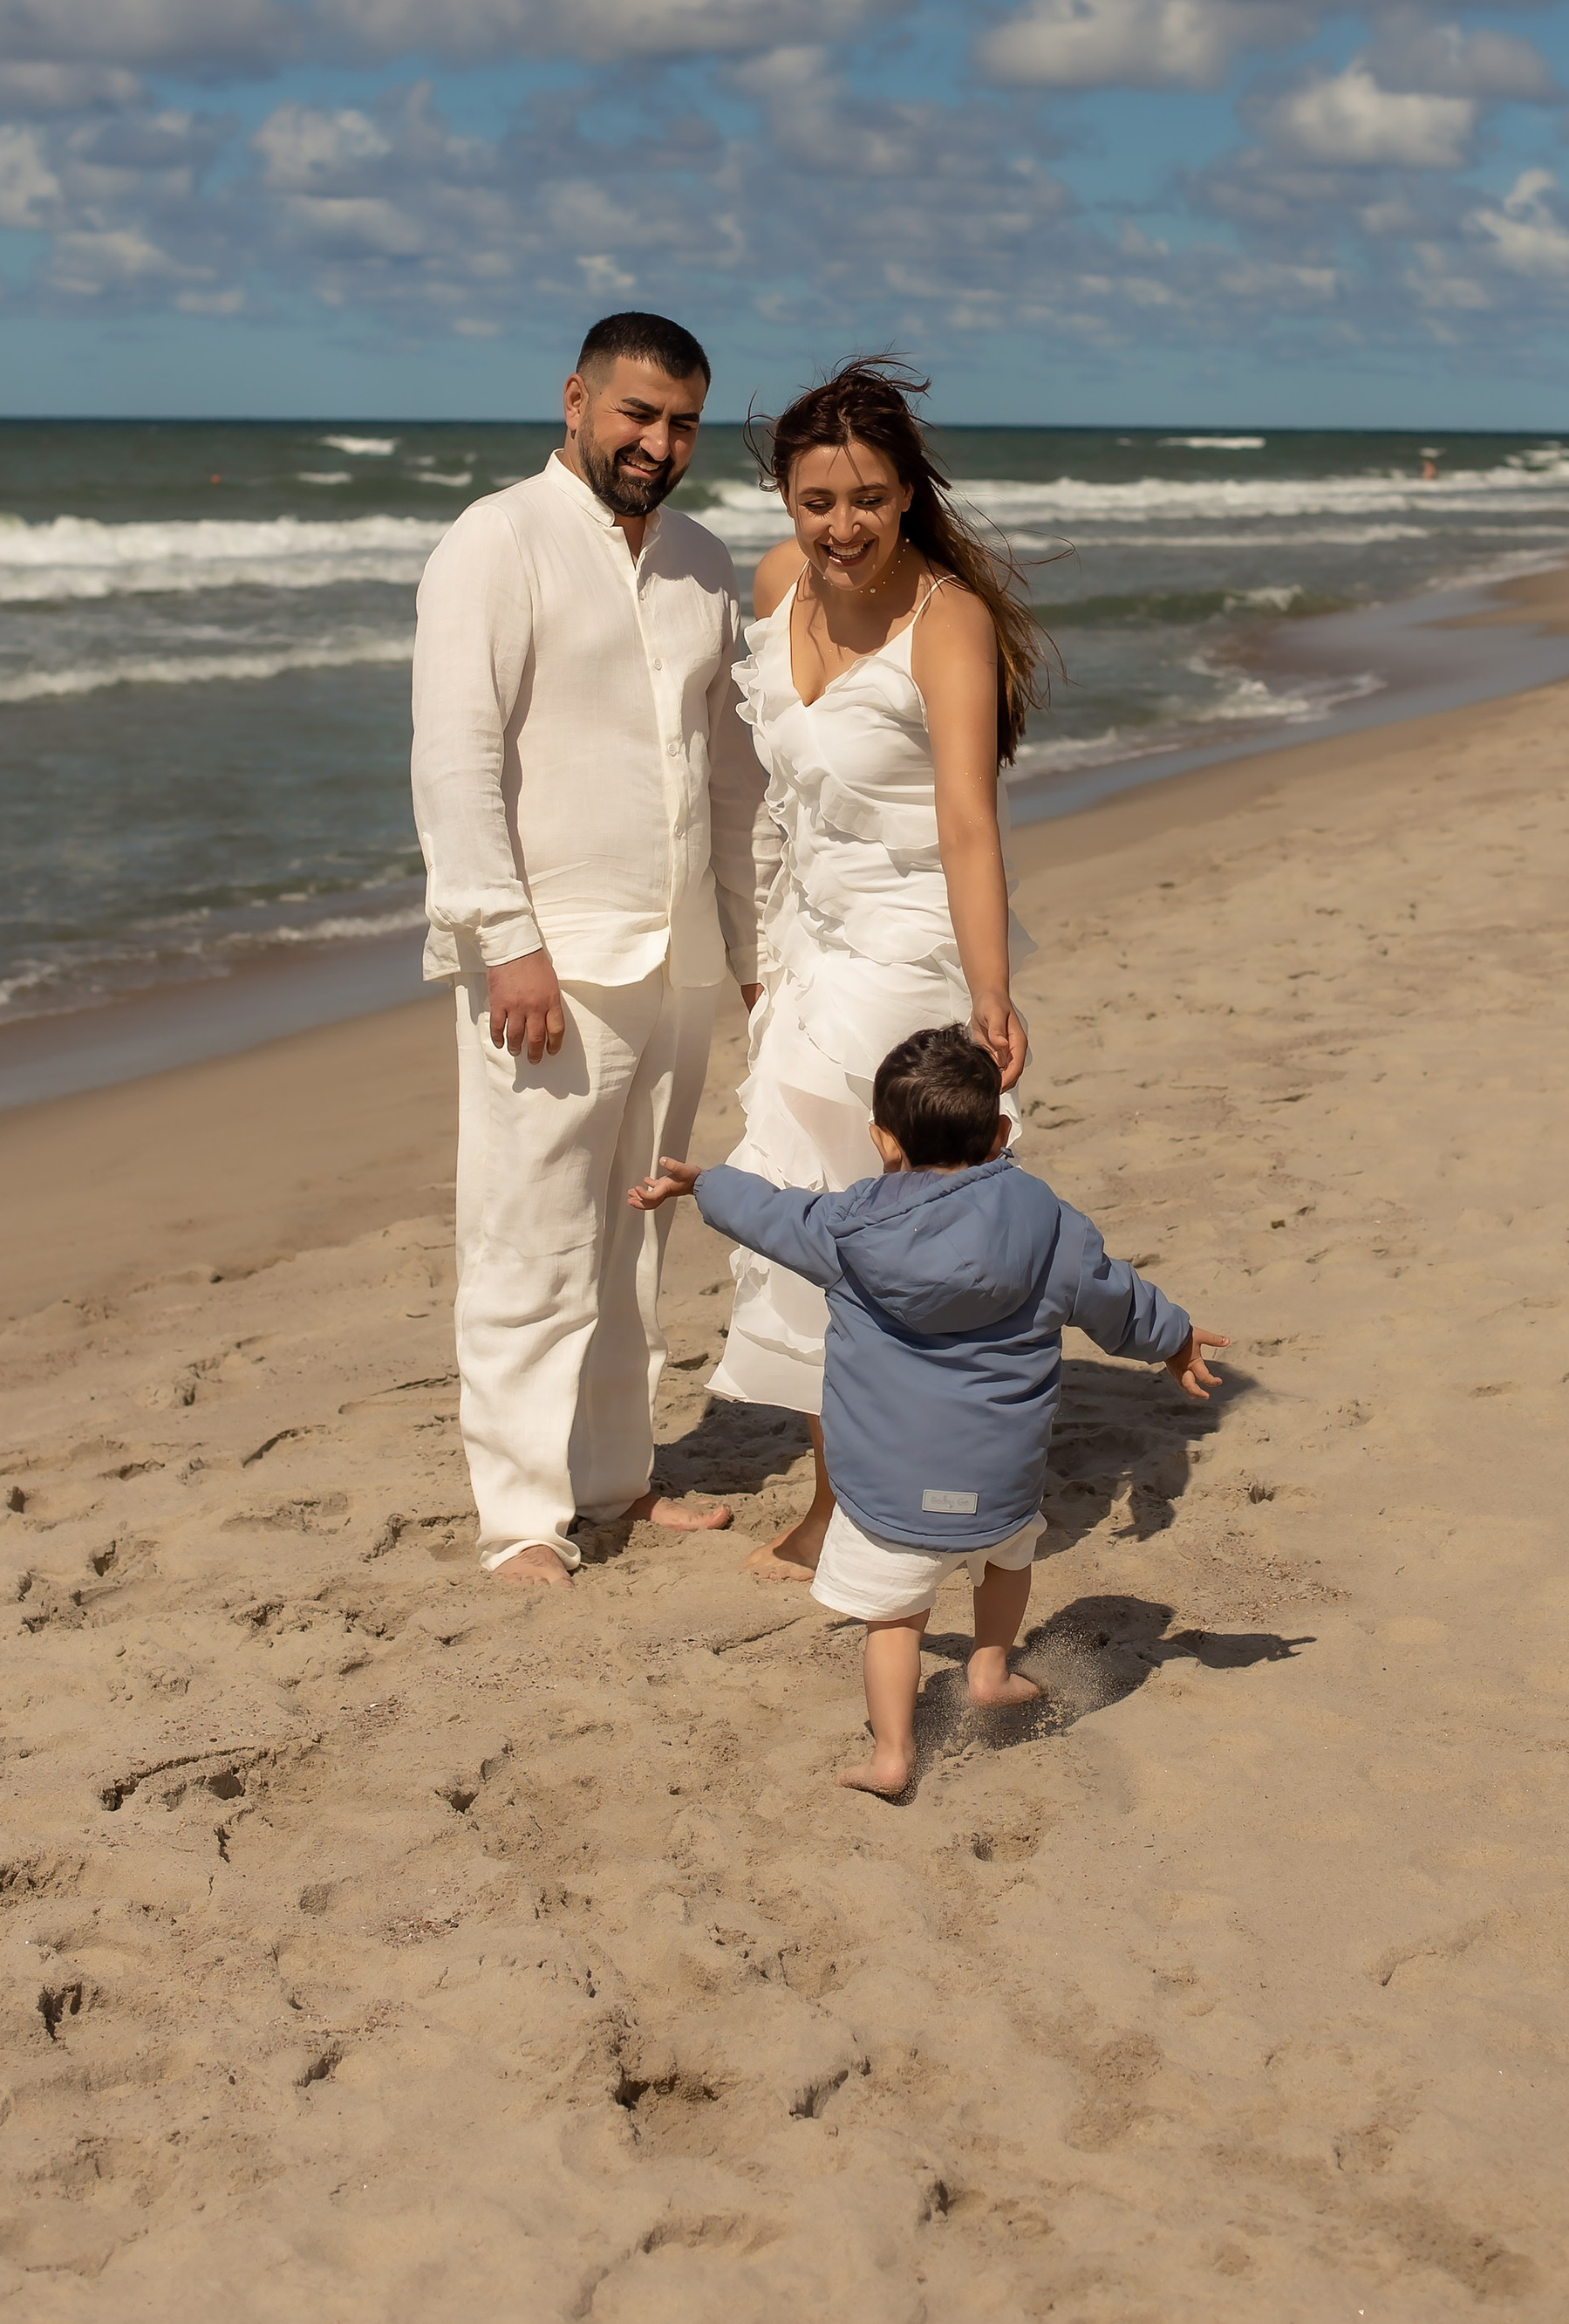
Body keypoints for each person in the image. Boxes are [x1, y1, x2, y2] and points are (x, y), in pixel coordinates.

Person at [633, 1026, 1226, 1797]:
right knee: (1008, 1560)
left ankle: (892, 1755)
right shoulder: (1046, 1223)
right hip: (1001, 1477)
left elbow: (770, 1214)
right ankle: (989, 1672)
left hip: (886, 1488)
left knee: (894, 1622)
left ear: (883, 1141)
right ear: (1001, 1133)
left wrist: (702, 1183)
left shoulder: (846, 1231)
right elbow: (1115, 1298)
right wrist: (1175, 1339)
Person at [410, 310, 765, 1591]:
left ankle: (617, 1475)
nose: (657, 443)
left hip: (675, 958)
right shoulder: (495, 542)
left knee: (636, 1238)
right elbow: (453, 758)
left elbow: (728, 777)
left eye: (679, 423)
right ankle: (519, 1518)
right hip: (548, 965)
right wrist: (504, 943)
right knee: (531, 1240)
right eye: (636, 414)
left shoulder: (704, 563)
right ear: (576, 399)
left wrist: (748, 943)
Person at [708, 358, 1050, 1583]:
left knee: (843, 1218)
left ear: (908, 494)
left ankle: (855, 1504)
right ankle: (848, 1494)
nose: (841, 527)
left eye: (867, 499)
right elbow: (770, 793)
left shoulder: (944, 621)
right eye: (816, 501)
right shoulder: (774, 585)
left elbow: (967, 817)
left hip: (905, 950)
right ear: (784, 501)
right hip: (807, 944)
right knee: (811, 1228)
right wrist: (755, 950)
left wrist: (990, 990)